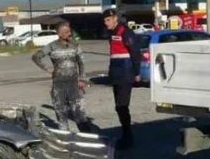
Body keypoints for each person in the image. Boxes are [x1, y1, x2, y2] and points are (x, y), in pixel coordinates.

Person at [31, 22, 94, 132]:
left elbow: (81, 63)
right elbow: (36, 57)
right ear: (59, 34)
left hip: (74, 84)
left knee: (79, 115)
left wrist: (82, 79)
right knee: (61, 116)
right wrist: (48, 69)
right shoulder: (51, 46)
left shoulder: (75, 45)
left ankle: (89, 138)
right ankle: (66, 142)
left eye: (69, 31)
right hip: (58, 85)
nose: (69, 34)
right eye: (66, 32)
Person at [103, 9, 141, 149]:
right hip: (117, 75)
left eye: (108, 20)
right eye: (105, 21)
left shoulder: (126, 32)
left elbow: (135, 53)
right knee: (119, 107)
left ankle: (128, 137)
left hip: (126, 74)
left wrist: (137, 72)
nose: (106, 23)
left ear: (115, 19)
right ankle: (125, 134)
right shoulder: (112, 33)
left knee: (122, 106)